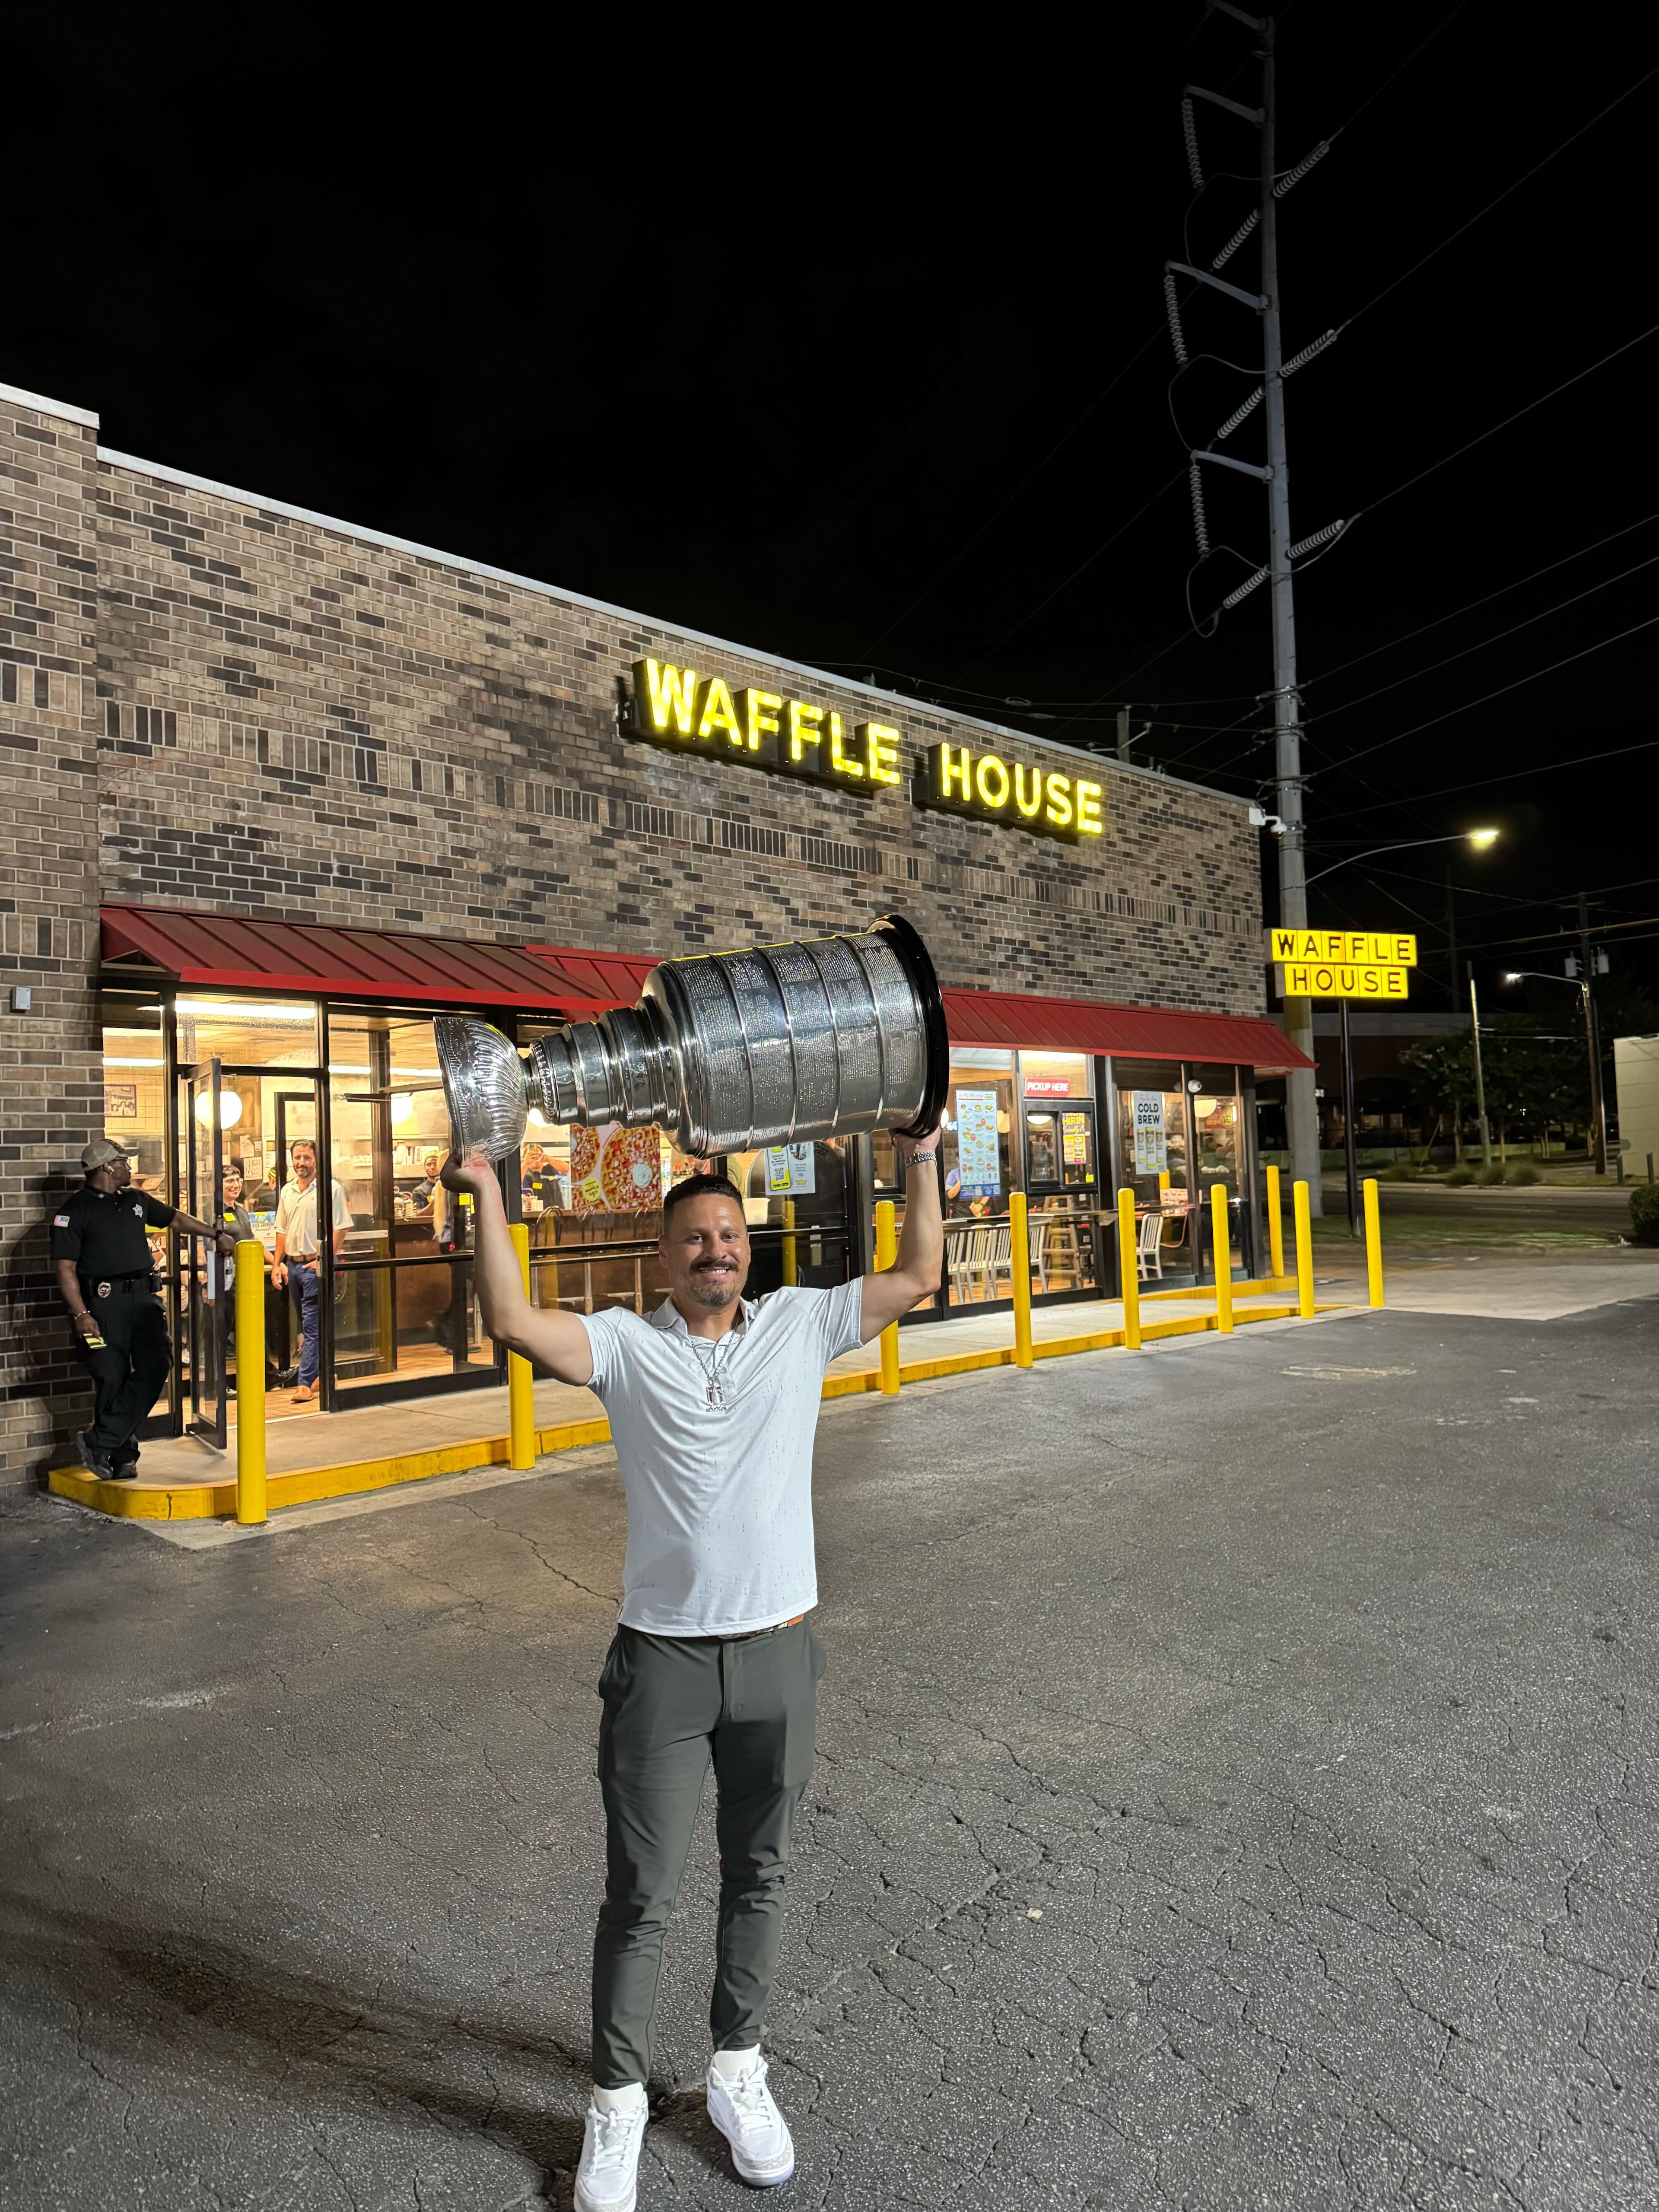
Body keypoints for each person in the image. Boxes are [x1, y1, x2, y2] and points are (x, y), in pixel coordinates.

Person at [443, 1121, 942, 2212]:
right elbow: (513, 1318)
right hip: (661, 1663)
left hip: (778, 1654)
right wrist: (487, 1188)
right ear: (663, 1257)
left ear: (745, 1249)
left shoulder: (803, 1325)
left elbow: (917, 1271)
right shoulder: (626, 1345)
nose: (714, 1249)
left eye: (728, 1234)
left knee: (759, 1873)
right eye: (694, 1238)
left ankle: (735, 2071)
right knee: (641, 1895)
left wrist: (920, 1154)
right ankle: (615, 2105)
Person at [51, 1137, 237, 1481]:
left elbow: (175, 1220)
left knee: (156, 1367)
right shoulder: (75, 1211)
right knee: (112, 1376)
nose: (129, 1166)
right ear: (107, 1167)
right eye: (123, 1161)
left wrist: (213, 1234)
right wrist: (81, 1314)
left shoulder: (135, 1200)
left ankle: (100, 1440)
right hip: (103, 1305)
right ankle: (121, 1456)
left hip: (144, 1301)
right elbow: (65, 1269)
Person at [270, 1139, 350, 1403]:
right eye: (297, 1158)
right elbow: (281, 1230)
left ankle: (305, 1383)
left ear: (316, 1160)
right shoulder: (287, 1191)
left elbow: (341, 1227)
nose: (301, 1163)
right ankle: (324, 1373)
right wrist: (276, 1264)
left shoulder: (330, 1189)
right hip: (292, 1265)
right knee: (306, 1325)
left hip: (313, 1266)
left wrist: (323, 1260)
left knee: (313, 1325)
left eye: (306, 1158)